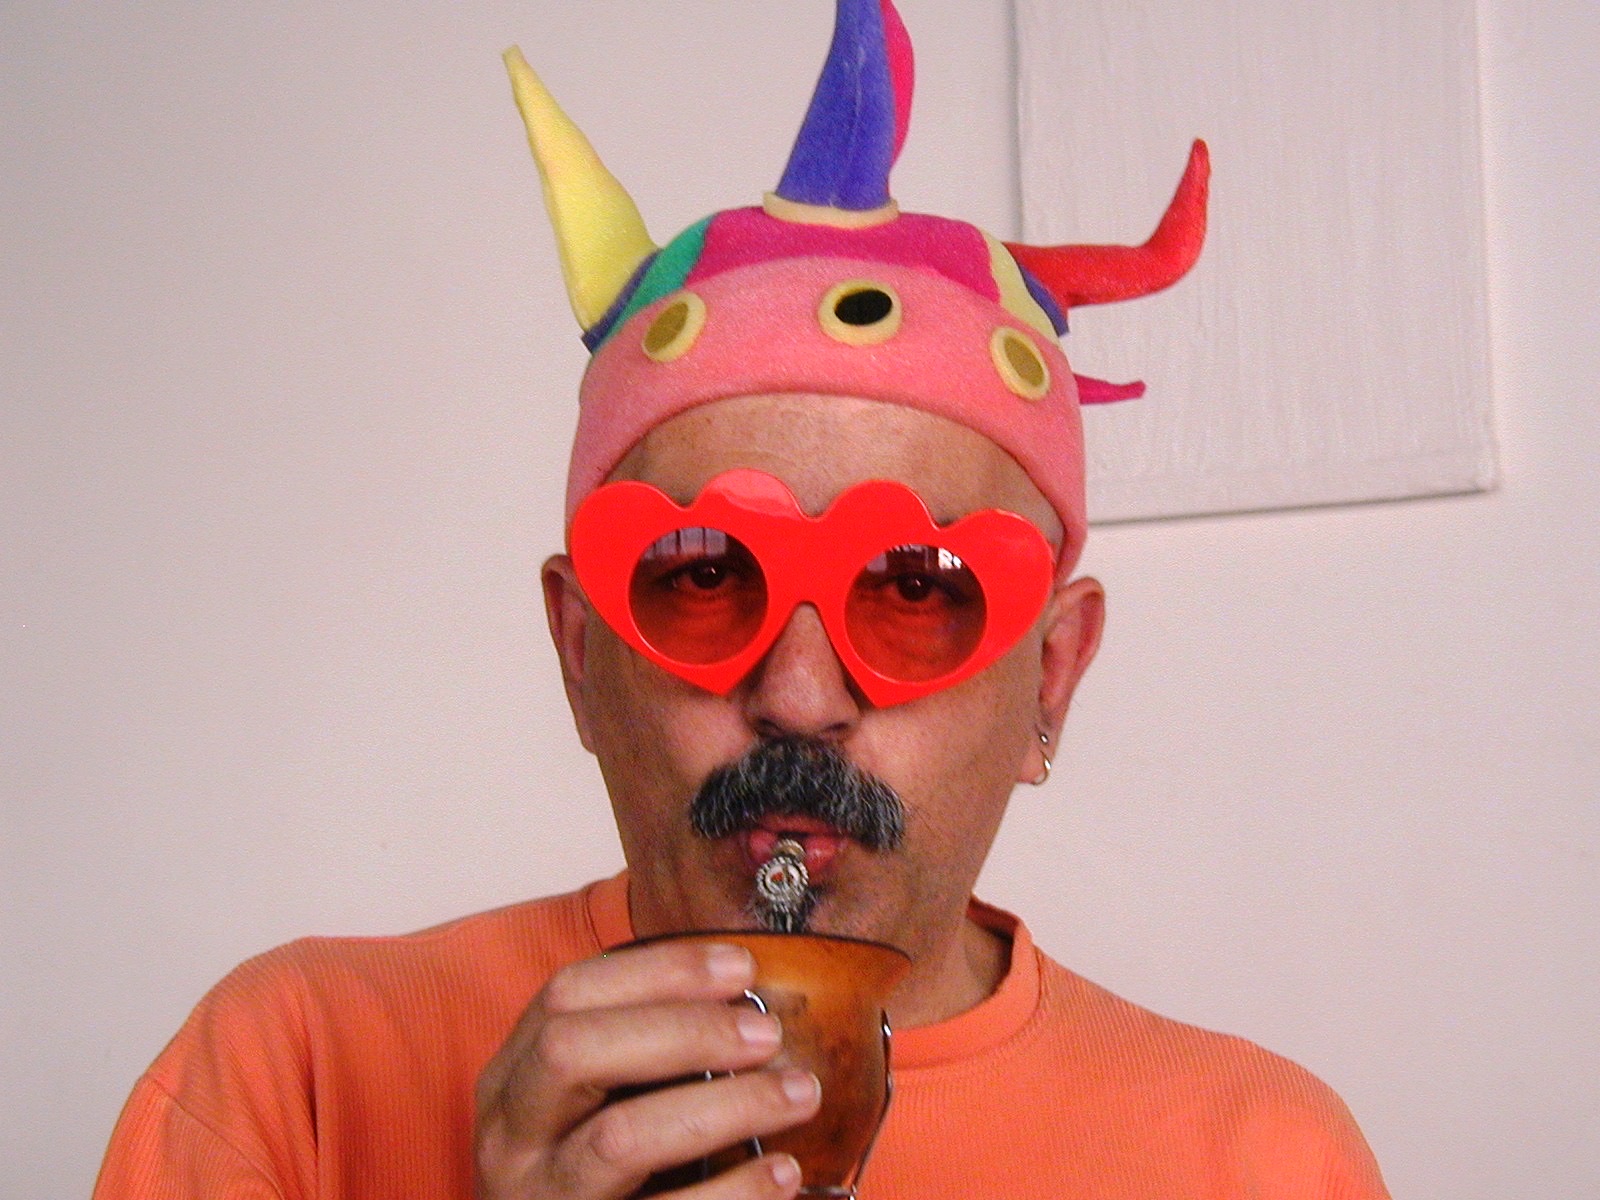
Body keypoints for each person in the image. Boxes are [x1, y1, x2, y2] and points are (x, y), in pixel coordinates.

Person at [93, 2, 1391, 1197]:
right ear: (580, 652)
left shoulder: (1260, 1159)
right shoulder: (298, 1075)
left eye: (918, 588)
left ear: (1050, 676)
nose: (800, 697)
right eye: (705, 577)